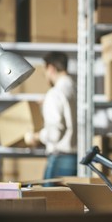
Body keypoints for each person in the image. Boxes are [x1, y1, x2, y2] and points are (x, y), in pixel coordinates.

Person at [24, 51, 77, 186]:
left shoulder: (54, 94)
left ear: (51, 68)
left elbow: (55, 133)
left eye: (45, 71)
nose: (46, 76)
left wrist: (35, 137)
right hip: (76, 157)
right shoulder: (76, 89)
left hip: (60, 158)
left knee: (50, 203)